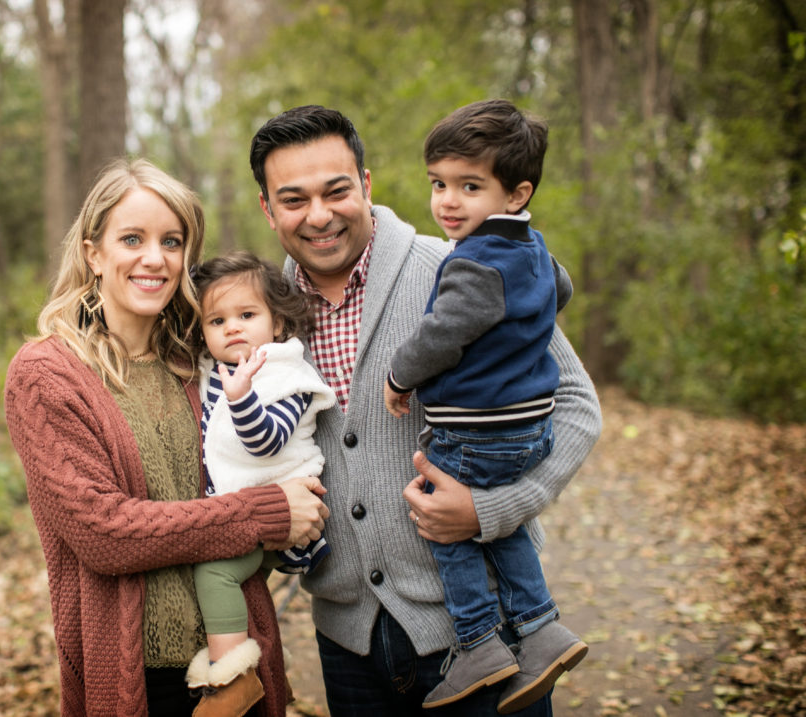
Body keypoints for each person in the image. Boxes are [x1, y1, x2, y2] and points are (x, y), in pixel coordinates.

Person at [248, 105, 602, 716]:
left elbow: (576, 404)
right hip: (348, 641)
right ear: (268, 209)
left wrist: (491, 508)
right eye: (294, 199)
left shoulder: (462, 267)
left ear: (365, 184)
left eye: (336, 191)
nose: (319, 216)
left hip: (484, 633)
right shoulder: (261, 315)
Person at [4, 158, 329, 717]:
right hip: (140, 676)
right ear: (93, 253)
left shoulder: (200, 361)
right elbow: (105, 534)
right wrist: (268, 511)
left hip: (237, 657)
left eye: (171, 241)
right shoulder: (46, 375)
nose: (154, 258)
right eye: (132, 238)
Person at [382, 99, 586, 712]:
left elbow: (441, 334)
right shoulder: (532, 250)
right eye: (439, 184)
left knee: (444, 524)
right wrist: (518, 330)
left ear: (516, 193)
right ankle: (542, 627)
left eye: (471, 187)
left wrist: (399, 376)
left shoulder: (472, 262)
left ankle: (477, 643)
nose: (448, 202)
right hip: (527, 430)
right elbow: (563, 289)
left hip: (476, 431)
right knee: (503, 526)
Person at [185, 251, 337, 716]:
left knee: (215, 572)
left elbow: (266, 442)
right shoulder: (217, 371)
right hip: (250, 507)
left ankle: (232, 679)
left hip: (289, 508)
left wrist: (243, 398)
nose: (233, 328)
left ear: (276, 322)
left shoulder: (283, 375)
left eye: (247, 315)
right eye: (217, 320)